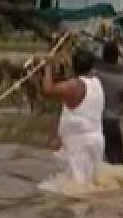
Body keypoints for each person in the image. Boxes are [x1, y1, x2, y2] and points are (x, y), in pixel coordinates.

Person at [42, 47, 105, 185]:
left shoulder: (74, 86)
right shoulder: (97, 83)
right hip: (96, 142)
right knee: (91, 183)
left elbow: (47, 90)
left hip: (79, 145)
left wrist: (48, 66)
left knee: (78, 190)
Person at [97, 41, 123, 169]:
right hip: (113, 124)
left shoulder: (95, 72)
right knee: (118, 164)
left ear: (103, 55)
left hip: (94, 123)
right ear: (117, 57)